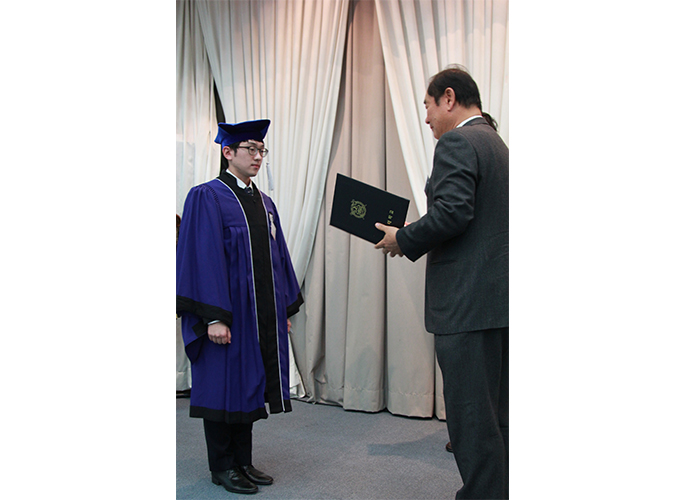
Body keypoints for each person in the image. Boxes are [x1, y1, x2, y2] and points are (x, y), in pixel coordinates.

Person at [375, 66, 508, 499]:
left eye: (428, 106)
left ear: (448, 98)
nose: (427, 118)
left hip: (466, 306)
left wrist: (403, 238)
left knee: (472, 420)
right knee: (499, 417)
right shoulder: (497, 144)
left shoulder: (457, 142)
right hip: (498, 304)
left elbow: (452, 213)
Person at [176, 119, 303, 495]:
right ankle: (222, 466)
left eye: (262, 150)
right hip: (226, 314)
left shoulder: (265, 203)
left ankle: (243, 461)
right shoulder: (207, 196)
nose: (258, 156)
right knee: (222, 385)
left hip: (258, 315)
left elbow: (278, 259)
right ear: (228, 152)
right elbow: (201, 257)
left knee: (247, 384)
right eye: (251, 149)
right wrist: (213, 316)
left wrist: (280, 311)